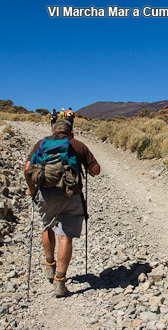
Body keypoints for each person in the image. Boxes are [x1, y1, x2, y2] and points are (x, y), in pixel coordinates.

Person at [24, 120, 101, 297]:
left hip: (46, 193)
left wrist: (32, 188)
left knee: (47, 227)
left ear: (53, 131)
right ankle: (60, 281)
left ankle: (49, 264)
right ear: (71, 132)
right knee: (65, 236)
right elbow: (95, 170)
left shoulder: (42, 144)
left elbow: (27, 168)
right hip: (70, 194)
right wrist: (89, 168)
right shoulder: (77, 145)